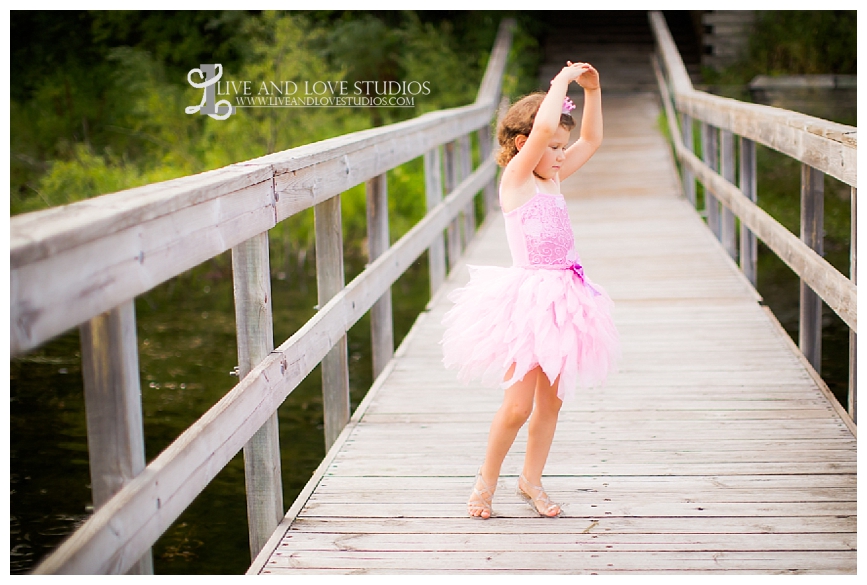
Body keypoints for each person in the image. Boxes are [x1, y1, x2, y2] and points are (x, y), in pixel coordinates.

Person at [441, 61, 620, 519]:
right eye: (554, 147)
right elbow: (543, 132)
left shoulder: (552, 177)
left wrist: (593, 92)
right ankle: (486, 481)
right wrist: (560, 84)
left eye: (563, 147)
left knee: (550, 405)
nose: (562, 154)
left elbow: (594, 140)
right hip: (528, 304)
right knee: (518, 406)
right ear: (524, 144)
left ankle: (531, 480)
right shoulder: (517, 181)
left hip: (566, 301)